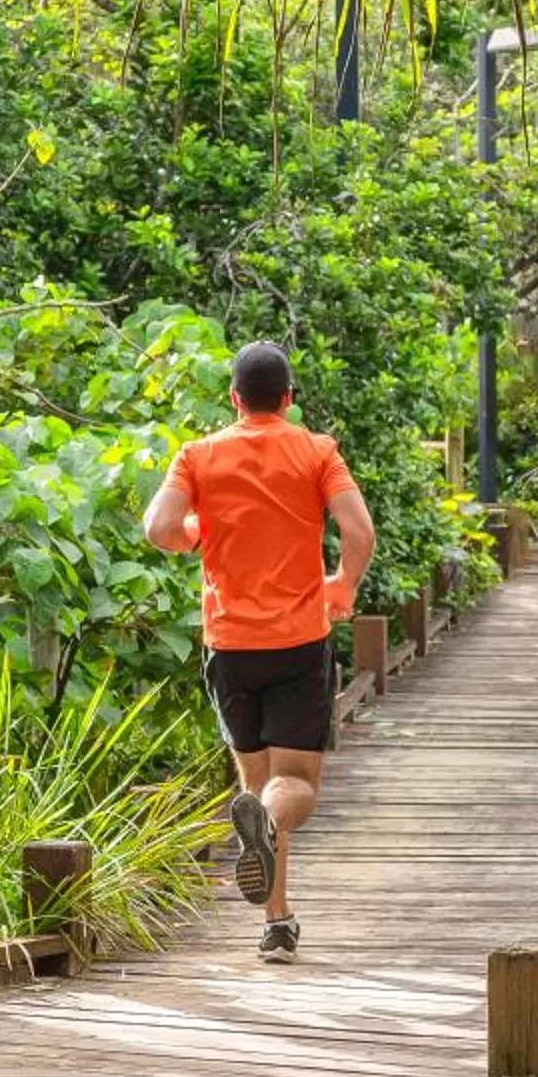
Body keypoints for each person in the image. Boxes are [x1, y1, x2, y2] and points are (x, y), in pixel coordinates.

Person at [142, 339, 376, 962]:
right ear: (290, 399)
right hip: (299, 639)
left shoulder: (198, 456)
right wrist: (342, 585)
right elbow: (358, 531)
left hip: (230, 645)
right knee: (293, 783)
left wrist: (194, 534)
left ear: (234, 399)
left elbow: (158, 528)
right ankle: (269, 864)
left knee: (258, 785)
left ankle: (276, 922)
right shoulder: (317, 451)